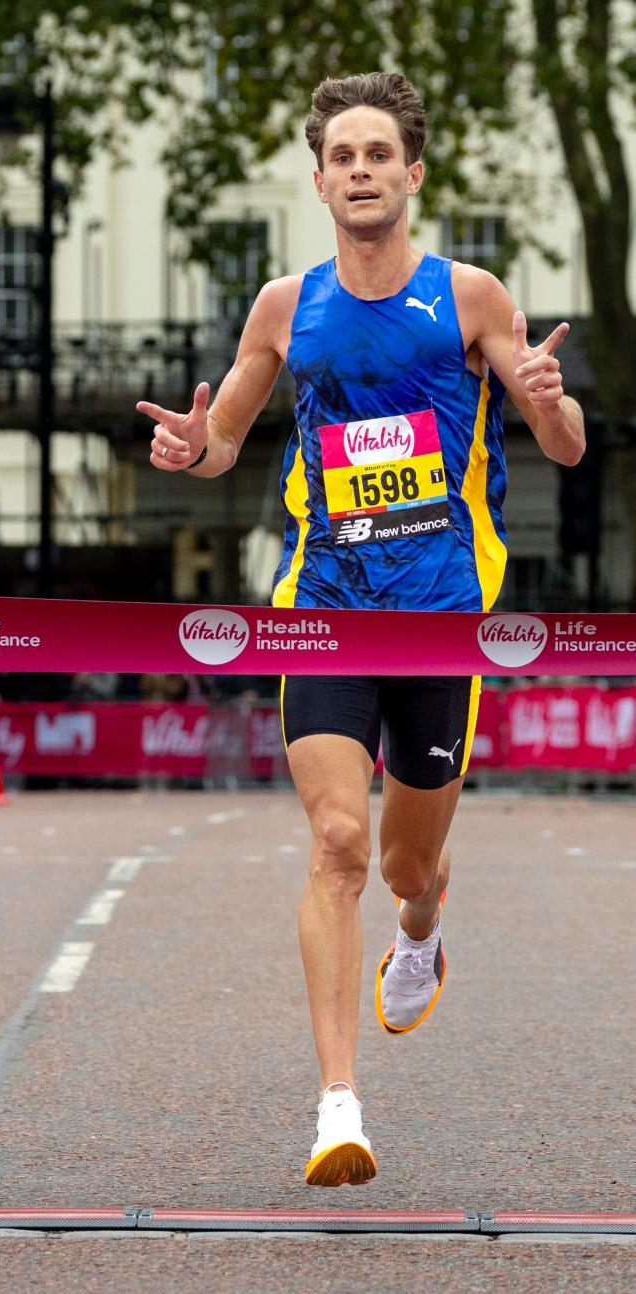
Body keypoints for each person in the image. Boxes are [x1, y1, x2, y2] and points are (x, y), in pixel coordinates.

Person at [137, 71, 584, 1188]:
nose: (362, 170)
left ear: (412, 172)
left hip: (440, 624)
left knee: (405, 863)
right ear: (323, 176)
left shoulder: (472, 296)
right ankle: (339, 1101)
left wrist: (549, 395)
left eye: (380, 153)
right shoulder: (286, 309)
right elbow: (229, 434)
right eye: (343, 156)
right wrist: (196, 447)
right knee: (337, 841)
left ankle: (424, 928)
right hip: (323, 613)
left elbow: (565, 445)